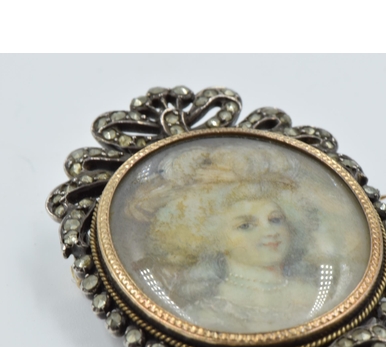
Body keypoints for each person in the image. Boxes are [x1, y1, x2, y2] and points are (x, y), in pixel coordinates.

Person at [126, 140, 353, 333]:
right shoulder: (205, 314)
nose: (270, 231)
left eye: (275, 219)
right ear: (211, 238)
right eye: (245, 225)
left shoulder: (317, 297)